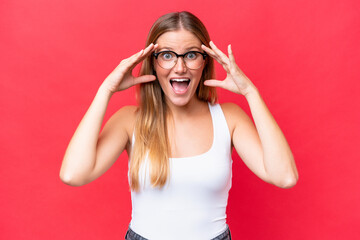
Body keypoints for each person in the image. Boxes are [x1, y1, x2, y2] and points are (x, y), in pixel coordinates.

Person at [60, 11, 299, 240]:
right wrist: (106, 91)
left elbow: (285, 176)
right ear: (152, 62)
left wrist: (250, 92)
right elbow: (73, 174)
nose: (180, 67)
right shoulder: (129, 120)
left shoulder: (229, 118)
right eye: (167, 55)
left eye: (191, 55)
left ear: (205, 62)